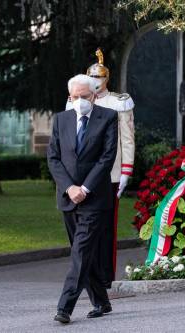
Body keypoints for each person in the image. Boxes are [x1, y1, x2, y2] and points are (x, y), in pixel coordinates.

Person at [48, 74, 118, 324]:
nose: (80, 101)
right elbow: (53, 158)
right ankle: (101, 301)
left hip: (94, 198)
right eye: (75, 97)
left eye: (84, 96)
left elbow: (106, 158)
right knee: (83, 253)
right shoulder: (61, 120)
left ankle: (64, 307)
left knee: (79, 251)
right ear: (70, 97)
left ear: (95, 95)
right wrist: (69, 188)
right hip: (68, 198)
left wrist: (85, 188)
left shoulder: (108, 117)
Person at [66, 48, 135, 287]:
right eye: (92, 77)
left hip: (110, 173)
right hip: (80, 175)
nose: (96, 82)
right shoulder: (74, 101)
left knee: (106, 229)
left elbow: (126, 139)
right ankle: (85, 275)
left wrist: (126, 171)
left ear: (107, 78)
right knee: (78, 228)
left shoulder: (119, 102)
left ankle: (105, 277)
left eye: (99, 77)